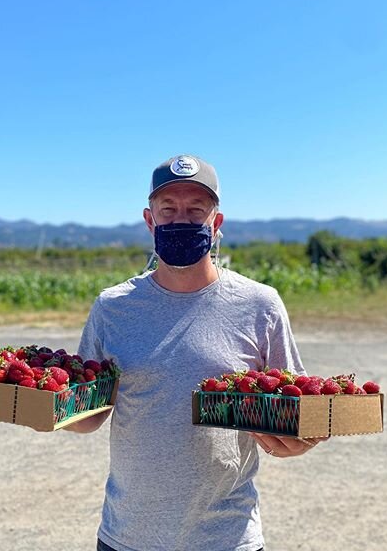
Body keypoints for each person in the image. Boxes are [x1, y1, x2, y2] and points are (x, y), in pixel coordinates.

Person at [65, 154, 324, 551]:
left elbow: (292, 410)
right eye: (168, 210)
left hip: (229, 538)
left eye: (195, 210)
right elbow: (89, 415)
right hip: (127, 537)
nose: (180, 220)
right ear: (150, 221)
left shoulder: (260, 305)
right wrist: (42, 411)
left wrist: (299, 439)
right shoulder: (113, 307)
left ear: (215, 224)